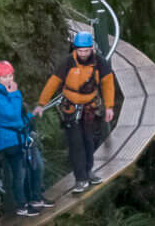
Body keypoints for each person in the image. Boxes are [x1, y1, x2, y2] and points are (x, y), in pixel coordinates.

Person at [40, 30, 120, 189]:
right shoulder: (68, 62)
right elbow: (54, 82)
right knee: (76, 143)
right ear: (75, 49)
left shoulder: (100, 63)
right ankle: (80, 178)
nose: (83, 54)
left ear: (92, 49)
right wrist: (42, 103)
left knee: (89, 141)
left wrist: (109, 107)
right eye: (80, 50)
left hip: (90, 108)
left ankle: (88, 171)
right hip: (70, 108)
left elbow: (108, 85)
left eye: (86, 50)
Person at [0, 61, 44, 216]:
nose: (8, 79)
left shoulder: (8, 93)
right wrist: (15, 94)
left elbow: (18, 118)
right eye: (4, 77)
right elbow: (11, 114)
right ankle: (22, 205)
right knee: (19, 174)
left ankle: (35, 198)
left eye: (10, 76)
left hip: (21, 137)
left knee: (35, 167)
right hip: (10, 141)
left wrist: (32, 115)